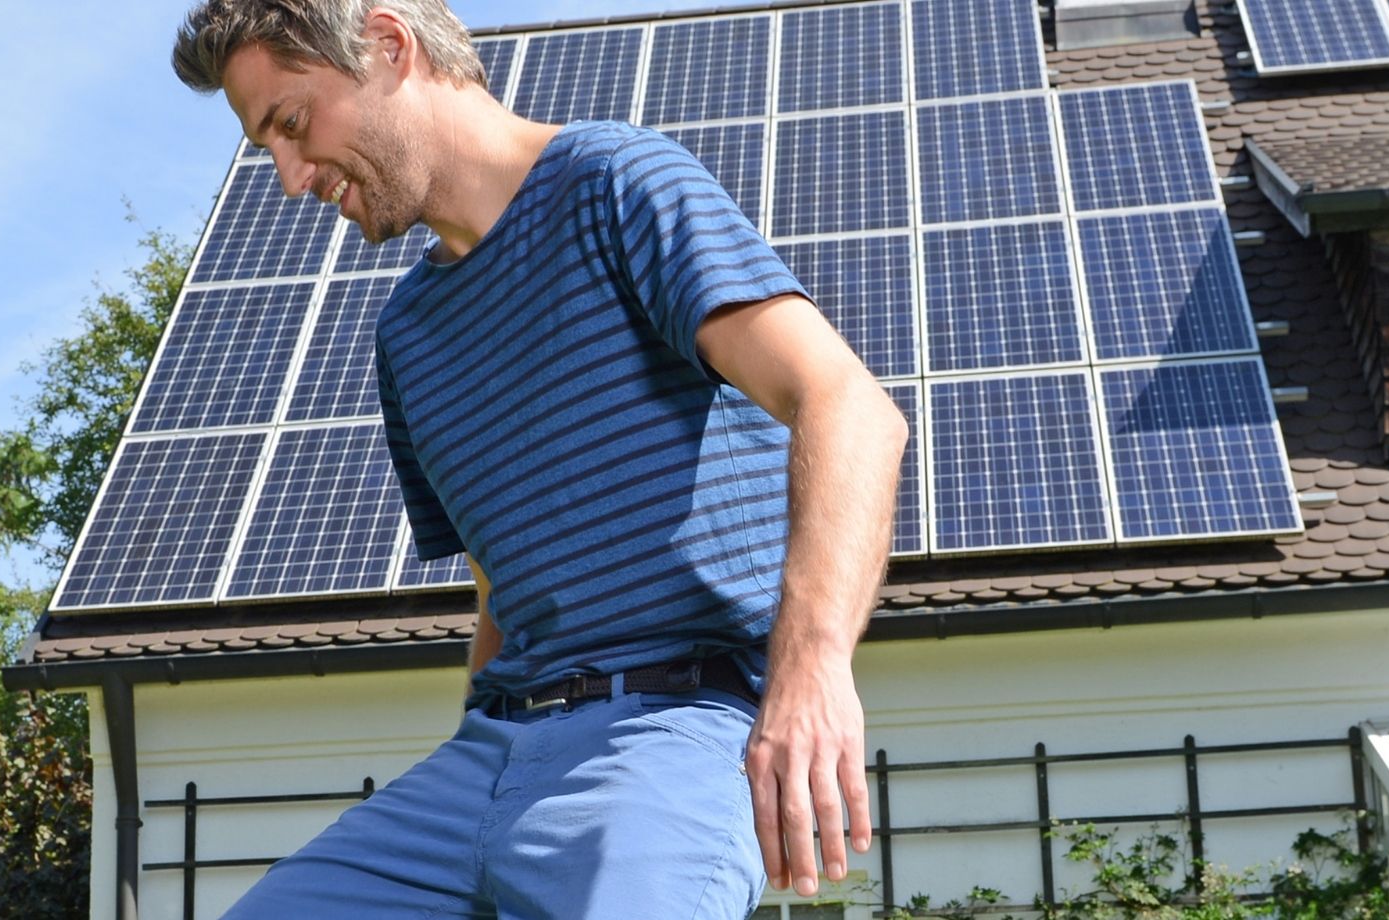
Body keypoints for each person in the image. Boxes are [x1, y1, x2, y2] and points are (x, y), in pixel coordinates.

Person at [172, 0, 909, 915]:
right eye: (266, 147)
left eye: (290, 123)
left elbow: (849, 408)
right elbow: (500, 587)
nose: (287, 177)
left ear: (388, 45)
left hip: (668, 731)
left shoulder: (614, 183)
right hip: (487, 761)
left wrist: (809, 677)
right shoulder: (407, 334)